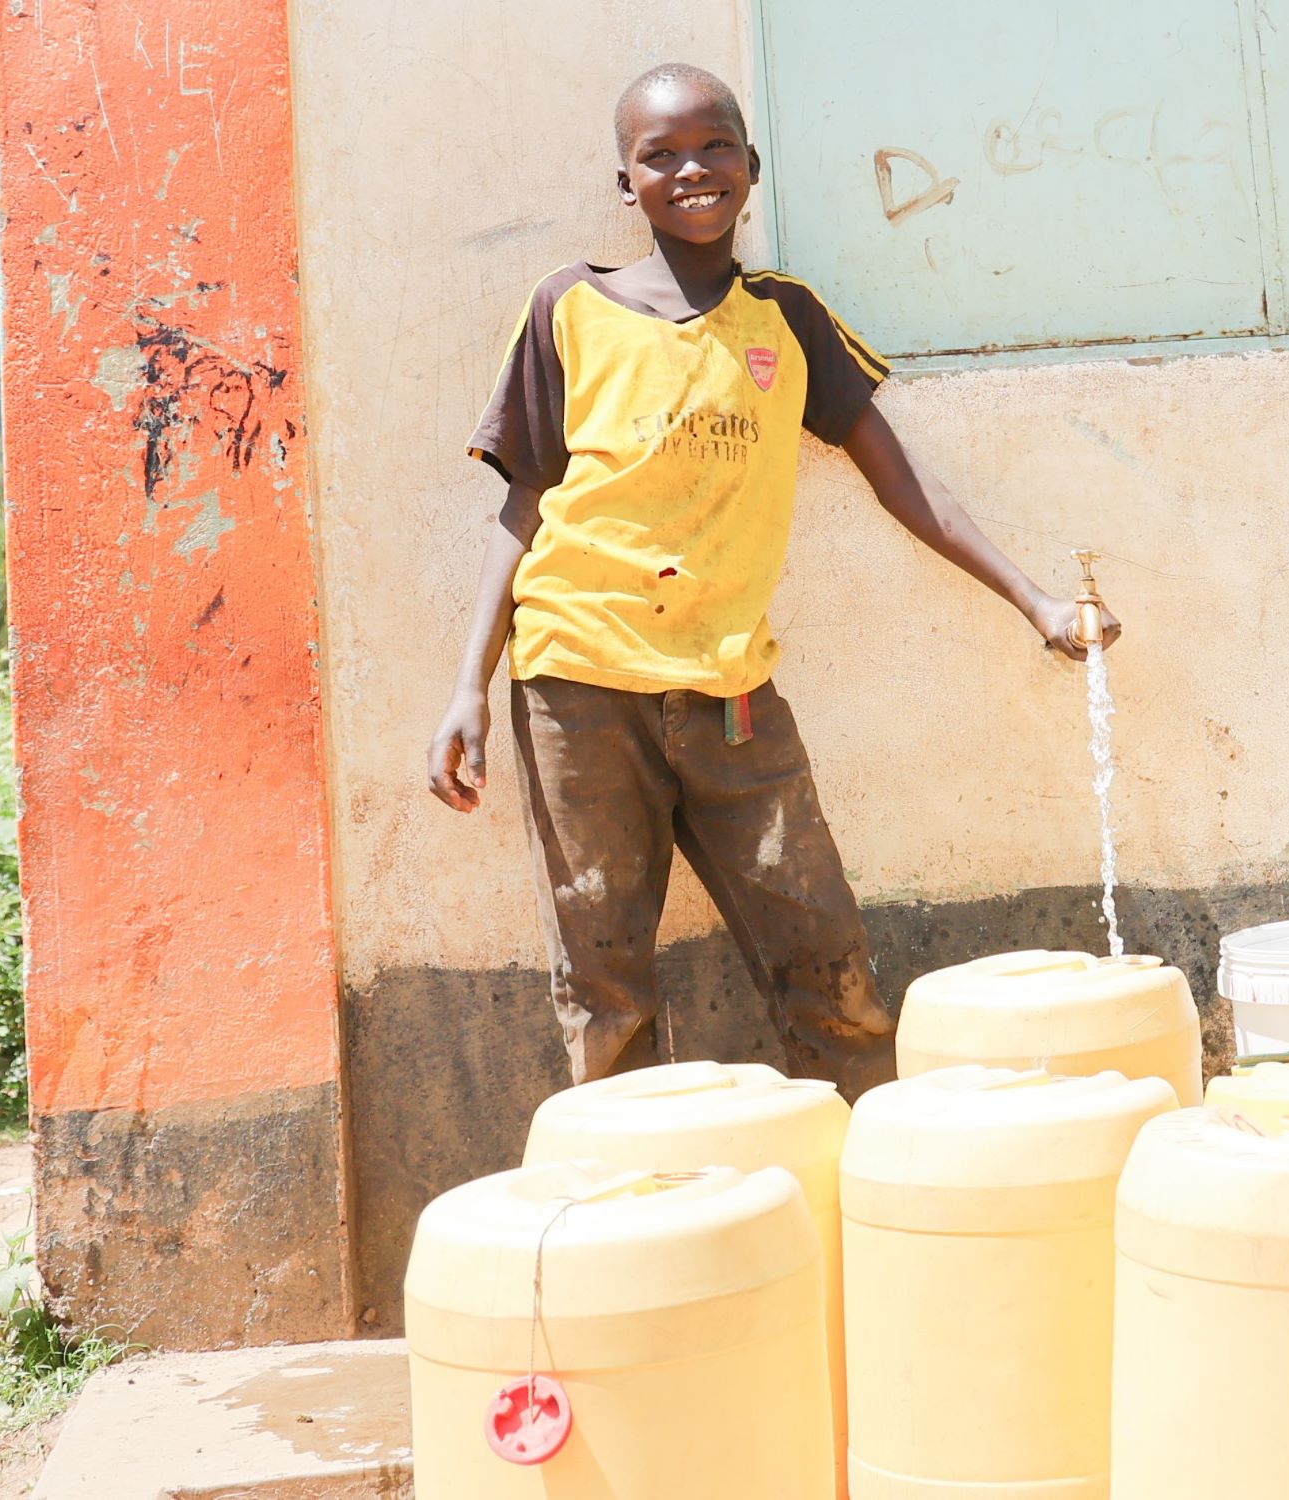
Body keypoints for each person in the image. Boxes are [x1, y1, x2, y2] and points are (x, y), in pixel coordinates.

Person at [425, 62, 1117, 1091]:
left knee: (826, 960)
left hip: (732, 692)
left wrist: (1037, 601)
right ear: (625, 185)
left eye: (713, 147)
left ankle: (874, 1189)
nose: (691, 170)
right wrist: (468, 688)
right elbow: (522, 504)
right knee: (603, 980)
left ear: (752, 165)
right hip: (578, 682)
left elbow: (900, 477)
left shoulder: (784, 317)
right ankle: (628, 1208)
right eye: (659, 156)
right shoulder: (567, 308)